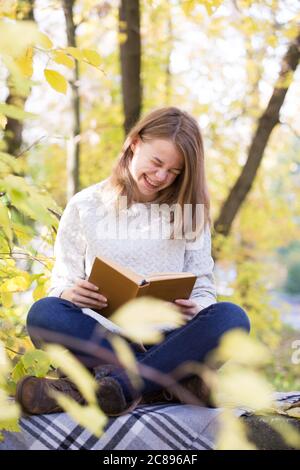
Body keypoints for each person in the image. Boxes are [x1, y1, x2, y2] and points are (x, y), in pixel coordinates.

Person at [16, 107, 250, 417]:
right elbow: (62, 281)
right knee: (44, 312)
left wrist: (200, 307)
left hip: (167, 340)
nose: (161, 177)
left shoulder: (189, 212)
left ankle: (114, 387)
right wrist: (67, 294)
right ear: (135, 143)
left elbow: (203, 287)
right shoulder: (86, 205)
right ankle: (165, 384)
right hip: (102, 339)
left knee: (231, 319)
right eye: (157, 163)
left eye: (175, 172)